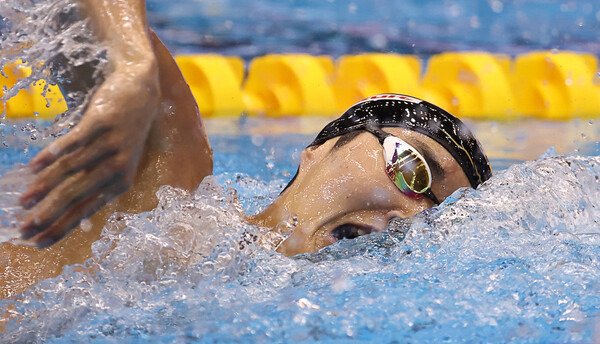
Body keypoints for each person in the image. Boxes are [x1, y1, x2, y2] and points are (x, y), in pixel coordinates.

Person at [0, 0, 491, 298]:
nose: (413, 214)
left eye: (436, 217)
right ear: (319, 150)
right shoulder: (170, 189)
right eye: (410, 168)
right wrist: (131, 64)